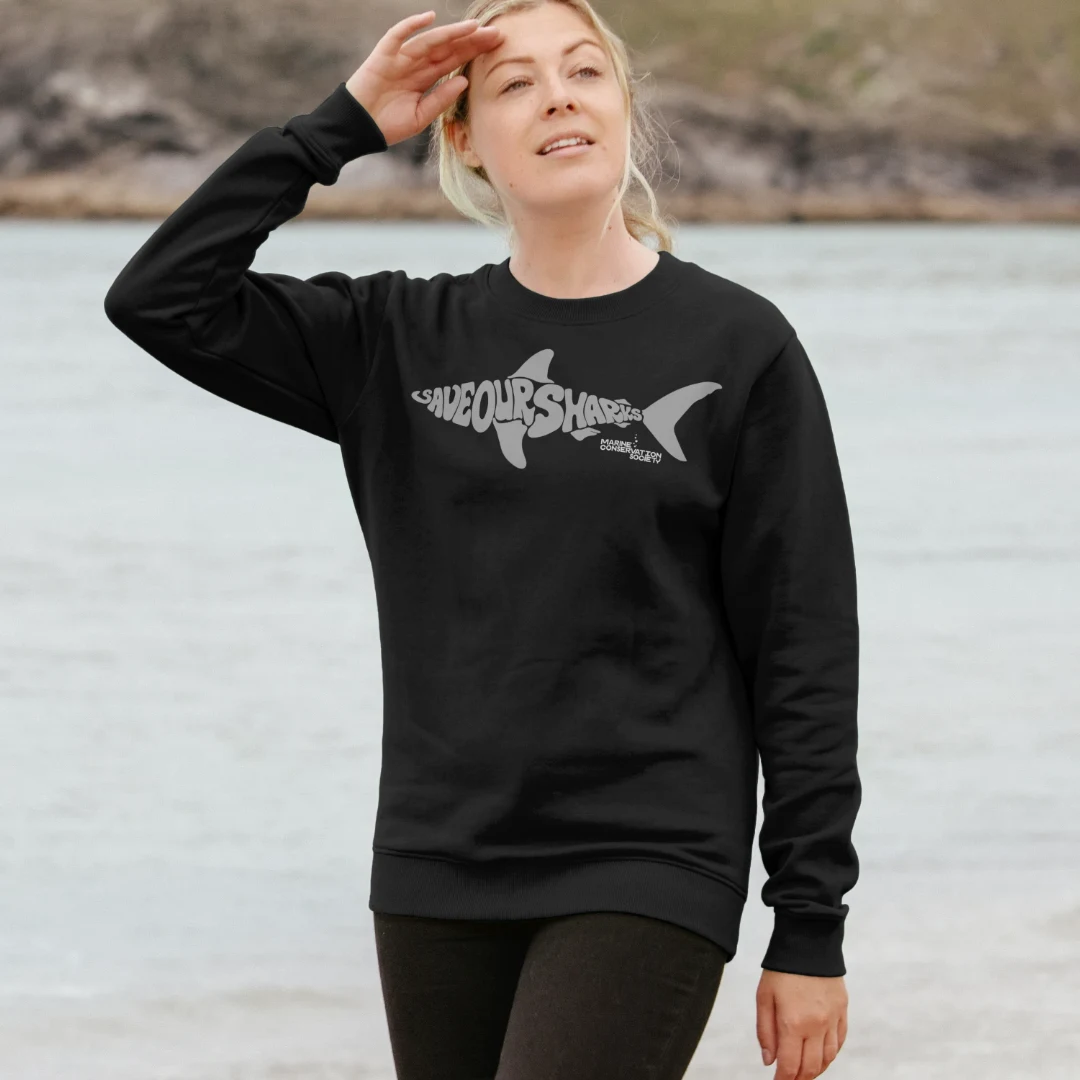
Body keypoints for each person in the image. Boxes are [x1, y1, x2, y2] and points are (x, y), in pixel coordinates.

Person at [102, 3, 861, 1078]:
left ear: (625, 110)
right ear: (461, 139)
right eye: (514, 84)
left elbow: (803, 644)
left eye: (585, 72)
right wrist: (339, 127)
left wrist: (810, 920)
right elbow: (159, 298)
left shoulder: (739, 345)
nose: (557, 97)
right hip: (438, 859)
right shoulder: (393, 341)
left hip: (649, 855)